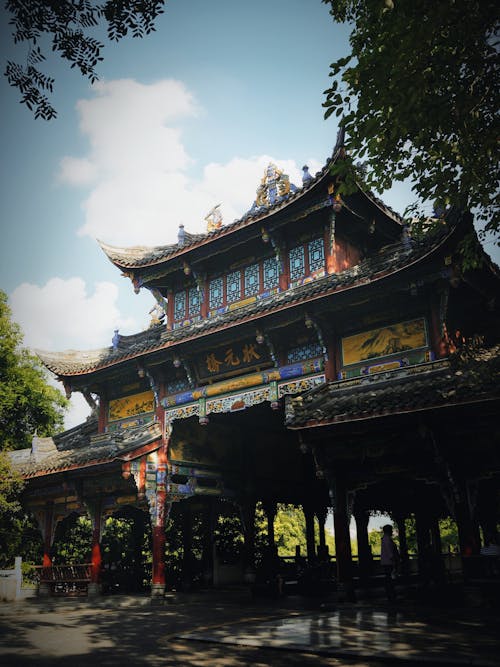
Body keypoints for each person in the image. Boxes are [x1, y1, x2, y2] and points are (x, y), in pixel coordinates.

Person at [381, 524, 400, 602]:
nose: (392, 531)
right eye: (391, 530)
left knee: (388, 580)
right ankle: (392, 596)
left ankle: (391, 596)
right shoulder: (388, 540)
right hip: (389, 563)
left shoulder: (384, 539)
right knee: (390, 581)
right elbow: (390, 553)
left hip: (386, 563)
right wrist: (394, 562)